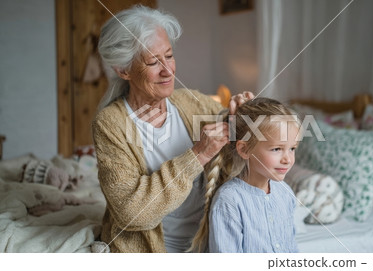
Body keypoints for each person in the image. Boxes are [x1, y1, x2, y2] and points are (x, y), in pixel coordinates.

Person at [92, 5, 253, 253]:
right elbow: (131, 214)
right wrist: (197, 155)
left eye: (168, 56)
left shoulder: (192, 102)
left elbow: (242, 154)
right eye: (153, 62)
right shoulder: (110, 124)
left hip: (211, 244)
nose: (168, 71)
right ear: (124, 70)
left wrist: (242, 119)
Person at [189, 98, 300, 253]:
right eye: (277, 149)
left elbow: (291, 247)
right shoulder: (230, 200)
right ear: (245, 150)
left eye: (292, 148)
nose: (287, 159)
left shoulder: (285, 192)